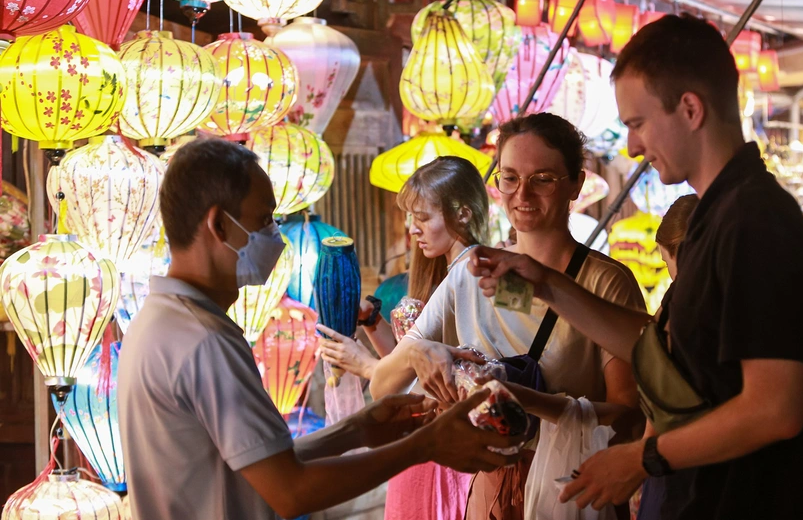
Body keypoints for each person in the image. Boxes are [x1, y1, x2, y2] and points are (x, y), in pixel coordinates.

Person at [468, 15, 803, 519]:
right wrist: (549, 285)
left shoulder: (755, 221)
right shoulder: (715, 215)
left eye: (637, 123)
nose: (632, 148)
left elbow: (775, 408)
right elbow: (660, 353)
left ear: (689, 108)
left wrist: (642, 459)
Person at [117, 138, 523, 520]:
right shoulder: (202, 341)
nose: (273, 235)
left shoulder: (157, 322)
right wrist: (424, 445)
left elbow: (267, 462)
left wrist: (356, 430)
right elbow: (292, 490)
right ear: (219, 226)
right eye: (263, 220)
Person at [371, 113, 646, 519]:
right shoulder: (471, 271)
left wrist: (525, 401)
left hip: (572, 489)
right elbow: (382, 385)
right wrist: (422, 353)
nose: (523, 194)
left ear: (576, 184)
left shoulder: (605, 283)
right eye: (510, 177)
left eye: (543, 179)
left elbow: (628, 415)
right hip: (488, 488)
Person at [319, 155, 491, 520]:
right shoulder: (446, 269)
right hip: (424, 431)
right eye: (411, 218)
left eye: (423, 217)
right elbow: (407, 366)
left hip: (441, 434)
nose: (413, 228)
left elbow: (394, 381)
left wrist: (362, 364)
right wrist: (371, 322)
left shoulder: (470, 271)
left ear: (462, 213)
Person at [635, 193, 698, 520]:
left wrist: (637, 464)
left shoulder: (680, 308)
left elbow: (662, 402)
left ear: (677, 252)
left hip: (675, 466)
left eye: (665, 261)